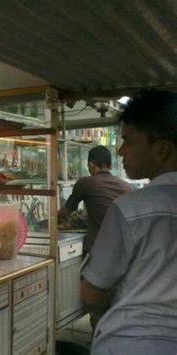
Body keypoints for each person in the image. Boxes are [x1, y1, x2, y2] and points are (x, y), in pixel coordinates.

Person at [81, 90, 177, 355]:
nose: (121, 151)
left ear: (161, 149)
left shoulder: (132, 208)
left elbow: (92, 291)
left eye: (128, 141)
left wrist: (103, 315)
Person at [58, 145, 131, 253]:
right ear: (110, 165)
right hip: (123, 247)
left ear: (91, 165)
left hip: (98, 248)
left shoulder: (86, 183)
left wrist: (52, 220)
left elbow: (66, 212)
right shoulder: (125, 186)